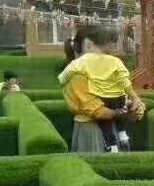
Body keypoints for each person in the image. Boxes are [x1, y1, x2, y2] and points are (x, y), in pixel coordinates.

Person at [60, 24, 141, 152]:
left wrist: (133, 106)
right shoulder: (77, 74)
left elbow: (120, 95)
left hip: (114, 128)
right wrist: (119, 111)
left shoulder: (109, 68)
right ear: (88, 46)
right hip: (92, 130)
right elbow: (95, 109)